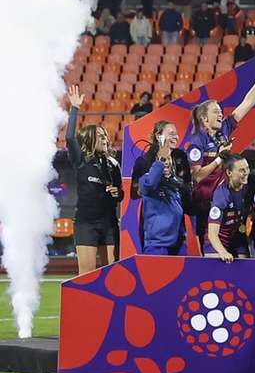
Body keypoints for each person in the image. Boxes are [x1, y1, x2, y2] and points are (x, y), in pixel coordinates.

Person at [187, 59, 255, 244]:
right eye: (216, 112)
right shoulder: (197, 143)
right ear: (204, 118)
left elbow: (247, 103)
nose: (220, 114)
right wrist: (219, 159)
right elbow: (197, 177)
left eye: (220, 111)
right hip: (205, 204)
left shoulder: (225, 128)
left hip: (227, 199)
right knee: (210, 250)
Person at [65, 86, 123, 274]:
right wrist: (74, 108)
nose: (105, 139)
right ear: (90, 139)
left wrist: (118, 193)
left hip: (109, 224)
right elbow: (69, 137)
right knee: (87, 276)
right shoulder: (81, 160)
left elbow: (120, 193)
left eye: (105, 136)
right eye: (99, 136)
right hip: (86, 224)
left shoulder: (113, 163)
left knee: (111, 275)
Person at [130, 120, 193, 248]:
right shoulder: (144, 161)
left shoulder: (180, 157)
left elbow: (186, 189)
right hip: (156, 227)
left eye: (176, 134)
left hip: (177, 227)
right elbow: (136, 192)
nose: (176, 137)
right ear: (159, 136)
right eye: (171, 133)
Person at [138, 137, 187, 255]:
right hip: (157, 245)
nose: (166, 161)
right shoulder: (145, 180)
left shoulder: (176, 183)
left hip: (178, 244)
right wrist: (161, 159)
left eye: (168, 158)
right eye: (162, 159)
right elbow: (150, 185)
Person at [204, 156, 252, 263]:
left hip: (237, 237)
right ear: (229, 173)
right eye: (241, 170)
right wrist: (222, 251)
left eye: (247, 168)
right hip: (218, 239)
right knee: (220, 267)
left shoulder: (251, 184)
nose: (246, 173)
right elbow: (212, 233)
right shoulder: (222, 196)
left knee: (246, 267)